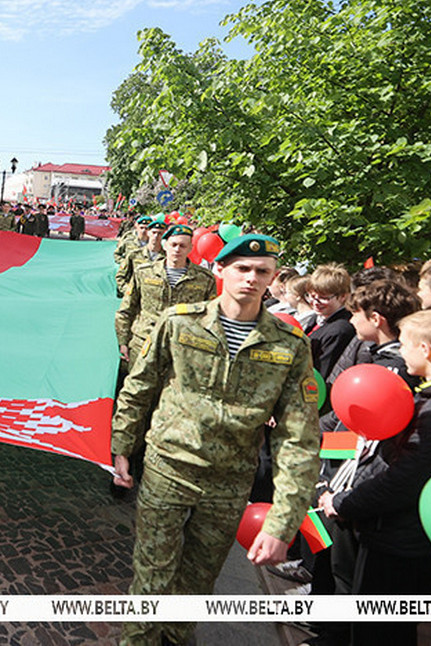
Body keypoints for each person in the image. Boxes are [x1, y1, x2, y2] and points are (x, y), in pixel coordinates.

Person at [111, 234, 320, 646]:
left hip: (229, 484)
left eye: (262, 271)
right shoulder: (180, 322)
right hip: (168, 468)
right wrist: (122, 446)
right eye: (242, 268)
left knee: (195, 586)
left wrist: (283, 521)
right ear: (220, 270)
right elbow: (141, 386)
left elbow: (299, 438)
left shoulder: (290, 346)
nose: (252, 278)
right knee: (152, 577)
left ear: (273, 276)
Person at [320, 308, 431, 646]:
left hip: (401, 540)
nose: (400, 350)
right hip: (399, 533)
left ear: (426, 350)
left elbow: (404, 479)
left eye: (404, 344)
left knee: (379, 630)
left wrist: (345, 502)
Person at [116, 224, 218, 371]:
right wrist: (123, 342)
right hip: (144, 343)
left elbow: (210, 317)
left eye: (182, 246)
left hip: (183, 348)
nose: (177, 250)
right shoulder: (144, 272)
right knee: (137, 390)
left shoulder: (205, 279)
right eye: (174, 245)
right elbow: (126, 309)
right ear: (166, 246)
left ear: (190, 248)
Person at [305, 264, 355, 378]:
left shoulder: (339, 330)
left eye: (323, 298)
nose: (315, 302)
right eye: (312, 296)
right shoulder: (318, 317)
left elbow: (322, 371)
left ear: (343, 296)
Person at [116, 218, 165, 295]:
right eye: (154, 232)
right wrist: (128, 291)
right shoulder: (133, 252)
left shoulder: (166, 256)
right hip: (133, 289)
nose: (156, 236)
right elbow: (120, 276)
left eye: (160, 233)